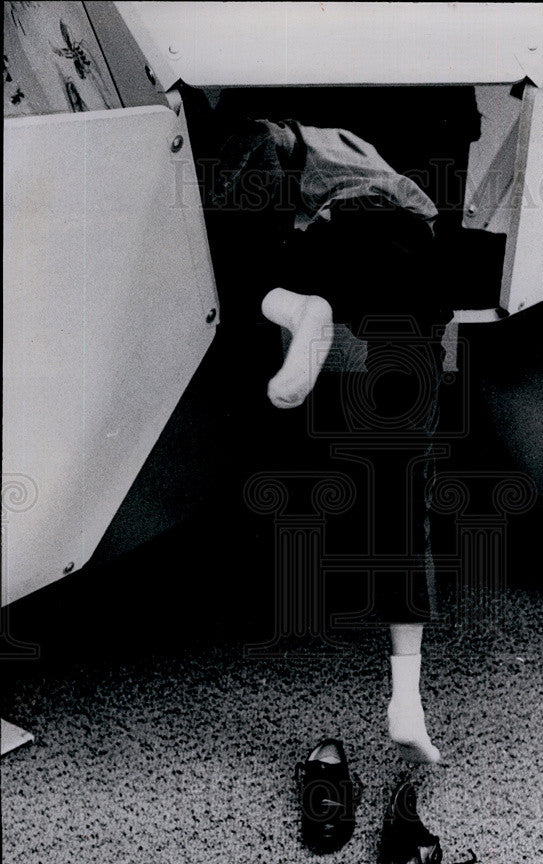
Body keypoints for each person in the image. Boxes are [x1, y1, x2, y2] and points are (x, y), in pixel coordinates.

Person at [184, 96, 453, 763]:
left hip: (351, 252)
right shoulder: (353, 152)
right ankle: (406, 697)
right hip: (411, 269)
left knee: (240, 280)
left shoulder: (257, 141)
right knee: (403, 494)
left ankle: (307, 308)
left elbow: (259, 184)